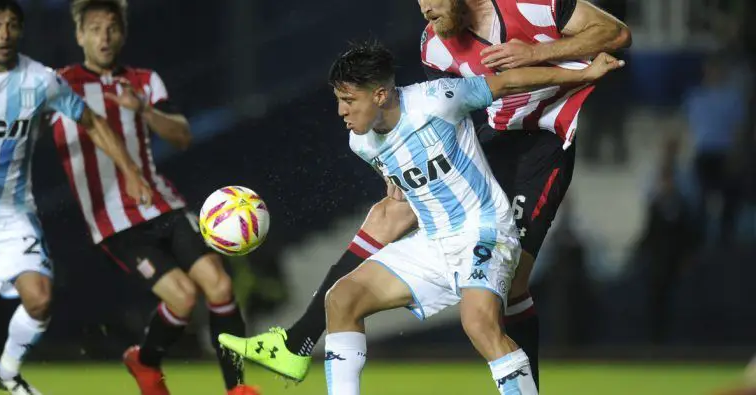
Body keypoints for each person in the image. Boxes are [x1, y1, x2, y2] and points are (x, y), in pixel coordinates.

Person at [219, 0, 631, 387]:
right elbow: (443, 114)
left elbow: (615, 34)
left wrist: (534, 54)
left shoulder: (529, 4)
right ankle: (298, 341)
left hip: (540, 142)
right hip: (492, 134)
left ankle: (528, 387)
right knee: (389, 211)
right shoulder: (435, 44)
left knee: (513, 281)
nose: (425, 11)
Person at [325, 41, 621, 395]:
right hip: (433, 244)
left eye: (349, 100)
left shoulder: (437, 99)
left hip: (484, 232)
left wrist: (583, 73)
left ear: (379, 94)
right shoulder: (360, 143)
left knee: (479, 323)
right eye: (339, 100)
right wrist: (395, 182)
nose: (341, 111)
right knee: (341, 299)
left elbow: (508, 83)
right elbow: (396, 170)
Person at [50, 1, 257, 394]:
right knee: (182, 297)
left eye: (111, 28)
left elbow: (181, 135)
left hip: (164, 204)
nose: (104, 37)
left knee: (220, 286)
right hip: (115, 221)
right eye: (94, 29)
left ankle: (236, 389)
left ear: (123, 33)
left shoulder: (144, 81)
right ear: (79, 35)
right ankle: (144, 362)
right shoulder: (59, 84)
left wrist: (143, 109)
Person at [0, 1, 151, 394]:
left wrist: (130, 171)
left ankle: (7, 373)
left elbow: (92, 122)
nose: (4, 34)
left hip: (11, 213)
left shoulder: (40, 81)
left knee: (40, 299)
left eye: (12, 25)